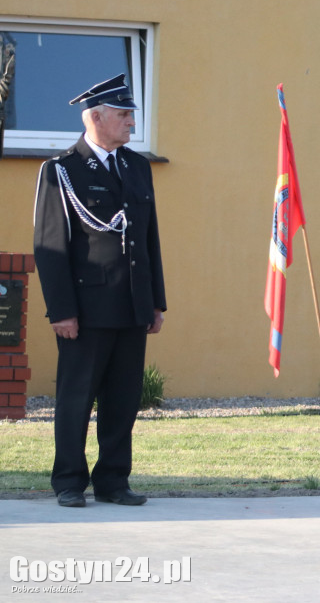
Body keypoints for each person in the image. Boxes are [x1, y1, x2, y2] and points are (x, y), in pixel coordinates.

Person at [33, 74, 166, 508]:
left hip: (131, 305)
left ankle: (113, 479)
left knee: (123, 401)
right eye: (124, 114)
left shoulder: (136, 166)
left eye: (131, 114)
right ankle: (70, 481)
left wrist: (156, 302)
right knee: (76, 399)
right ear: (96, 117)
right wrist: (61, 311)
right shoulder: (61, 170)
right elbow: (50, 248)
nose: (131, 122)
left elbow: (149, 240)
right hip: (86, 310)